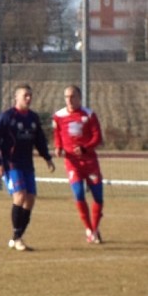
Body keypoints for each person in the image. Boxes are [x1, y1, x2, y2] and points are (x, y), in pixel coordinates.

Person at [0, 84, 55, 251]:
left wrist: (47, 158)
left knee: (30, 199)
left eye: (30, 95)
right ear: (16, 98)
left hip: (27, 164)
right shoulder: (7, 117)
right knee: (20, 196)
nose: (28, 98)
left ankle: (16, 236)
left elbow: (39, 140)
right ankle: (18, 238)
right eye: (25, 95)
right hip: (11, 163)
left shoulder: (33, 118)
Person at [52, 85, 105, 244]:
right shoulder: (58, 116)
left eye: (72, 96)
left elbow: (97, 137)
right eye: (67, 97)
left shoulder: (89, 115)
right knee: (79, 194)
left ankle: (95, 228)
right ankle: (89, 230)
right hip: (72, 162)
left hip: (90, 162)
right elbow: (57, 135)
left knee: (98, 199)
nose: (69, 100)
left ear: (79, 98)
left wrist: (85, 148)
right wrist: (58, 147)